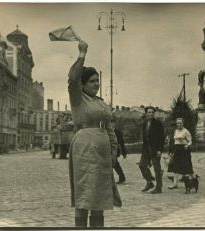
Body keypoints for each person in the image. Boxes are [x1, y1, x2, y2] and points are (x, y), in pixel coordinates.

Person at [68, 40, 121, 227]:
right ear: (82, 85)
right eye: (92, 81)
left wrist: (113, 153)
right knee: (84, 193)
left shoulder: (100, 102)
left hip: (102, 154)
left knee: (99, 196)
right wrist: (82, 54)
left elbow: (110, 129)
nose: (96, 84)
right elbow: (72, 79)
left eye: (98, 80)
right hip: (84, 151)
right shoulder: (78, 99)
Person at [139, 106, 165, 194]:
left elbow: (162, 138)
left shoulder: (158, 123)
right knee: (142, 165)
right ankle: (149, 182)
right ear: (146, 113)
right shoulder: (144, 123)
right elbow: (145, 138)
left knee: (157, 169)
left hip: (155, 149)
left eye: (152, 112)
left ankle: (158, 187)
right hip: (146, 149)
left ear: (154, 113)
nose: (151, 114)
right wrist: (143, 150)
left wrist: (159, 150)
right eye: (149, 112)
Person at [167, 117, 195, 189]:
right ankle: (175, 184)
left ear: (183, 123)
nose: (179, 124)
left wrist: (187, 145)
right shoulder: (176, 131)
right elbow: (175, 142)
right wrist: (172, 151)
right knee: (175, 166)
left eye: (180, 123)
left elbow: (190, 141)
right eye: (178, 123)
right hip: (177, 150)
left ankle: (194, 181)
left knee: (188, 166)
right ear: (176, 124)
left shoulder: (186, 131)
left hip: (184, 150)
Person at [111, 119, 127, 184]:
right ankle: (122, 177)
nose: (111, 125)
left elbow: (121, 143)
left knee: (115, 164)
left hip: (115, 151)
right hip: (108, 150)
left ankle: (122, 177)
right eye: (110, 123)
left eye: (113, 123)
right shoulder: (106, 131)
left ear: (115, 124)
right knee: (115, 164)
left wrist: (124, 153)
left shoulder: (118, 132)